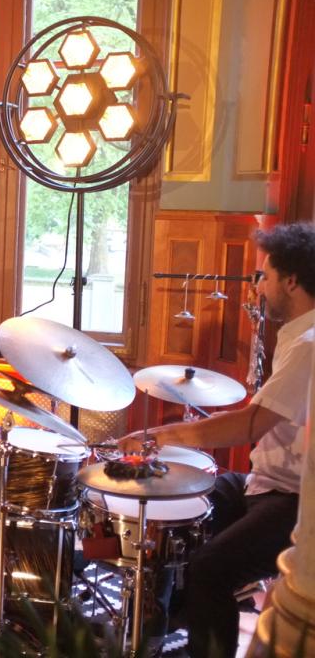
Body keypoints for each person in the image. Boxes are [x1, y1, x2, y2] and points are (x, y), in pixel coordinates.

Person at [120, 222, 315, 657]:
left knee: (210, 569)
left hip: (293, 499)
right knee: (179, 506)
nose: (258, 287)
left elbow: (248, 427)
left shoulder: (308, 343)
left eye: (263, 276)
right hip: (262, 482)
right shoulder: (298, 333)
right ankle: (161, 629)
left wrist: (156, 436)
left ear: (291, 281)